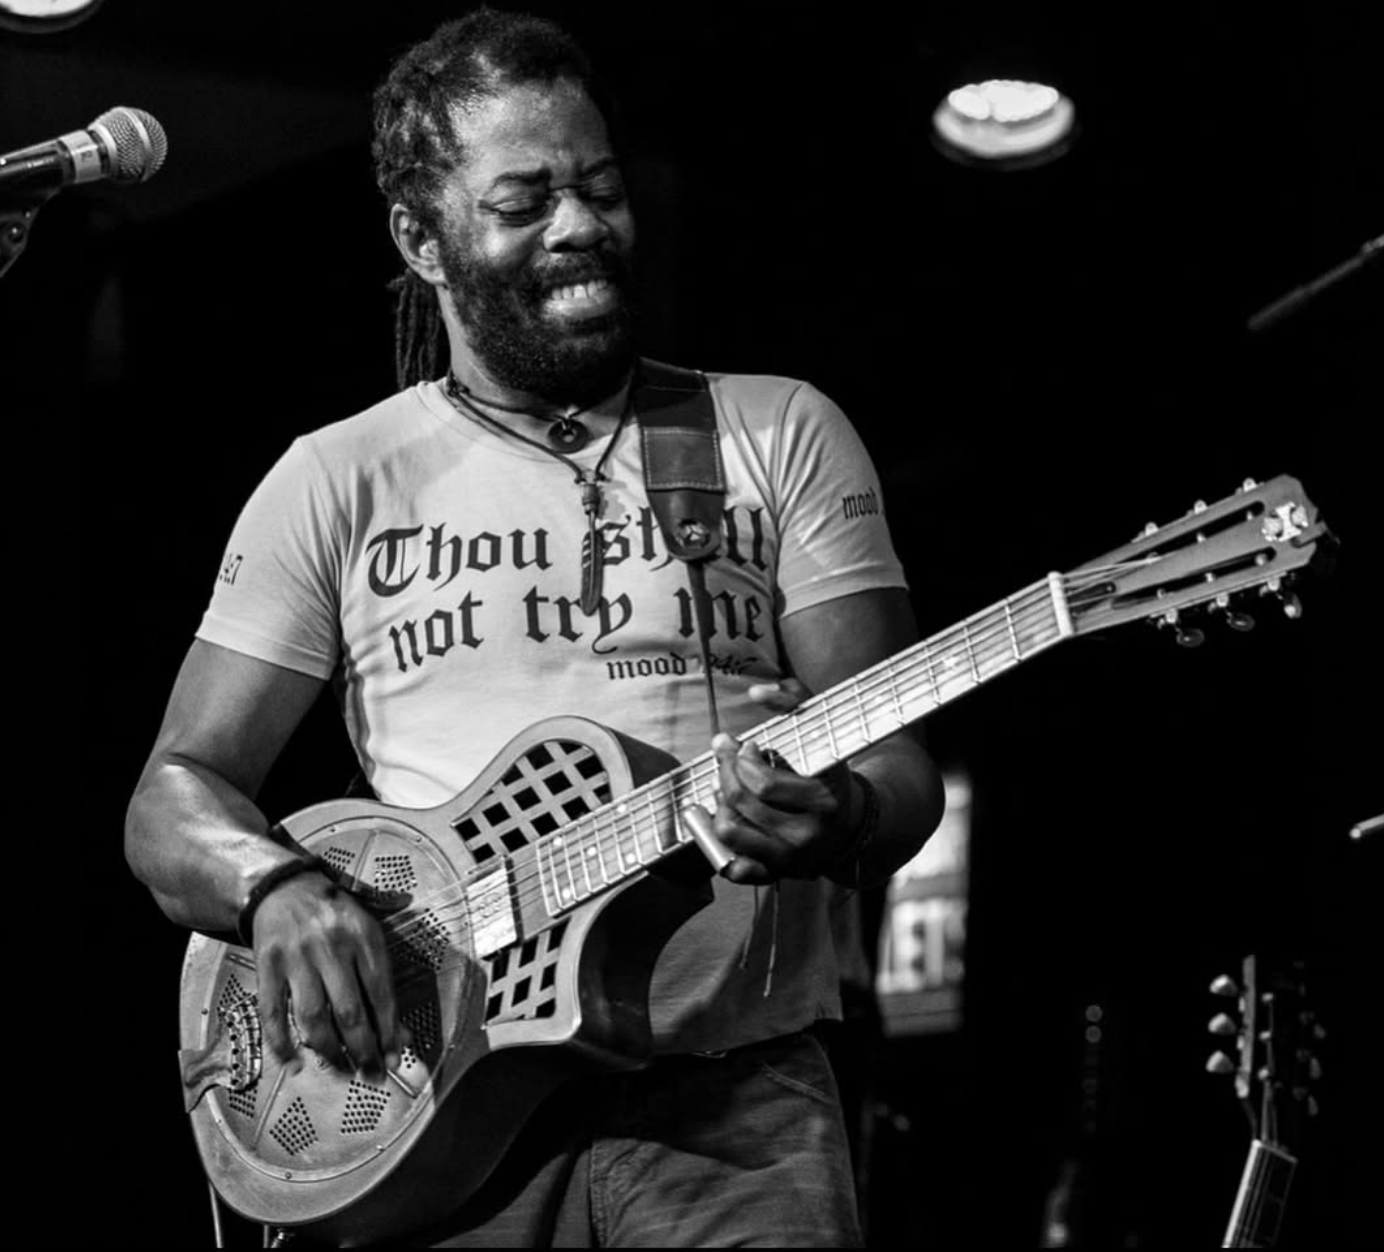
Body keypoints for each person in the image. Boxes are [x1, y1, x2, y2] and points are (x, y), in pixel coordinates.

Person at [125, 8, 944, 1247]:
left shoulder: (775, 430)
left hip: (736, 1106)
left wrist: (842, 817)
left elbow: (898, 762)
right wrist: (275, 887)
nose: (580, 227)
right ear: (422, 238)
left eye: (600, 189)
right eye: (524, 203)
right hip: (440, 1108)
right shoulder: (336, 477)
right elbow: (171, 798)